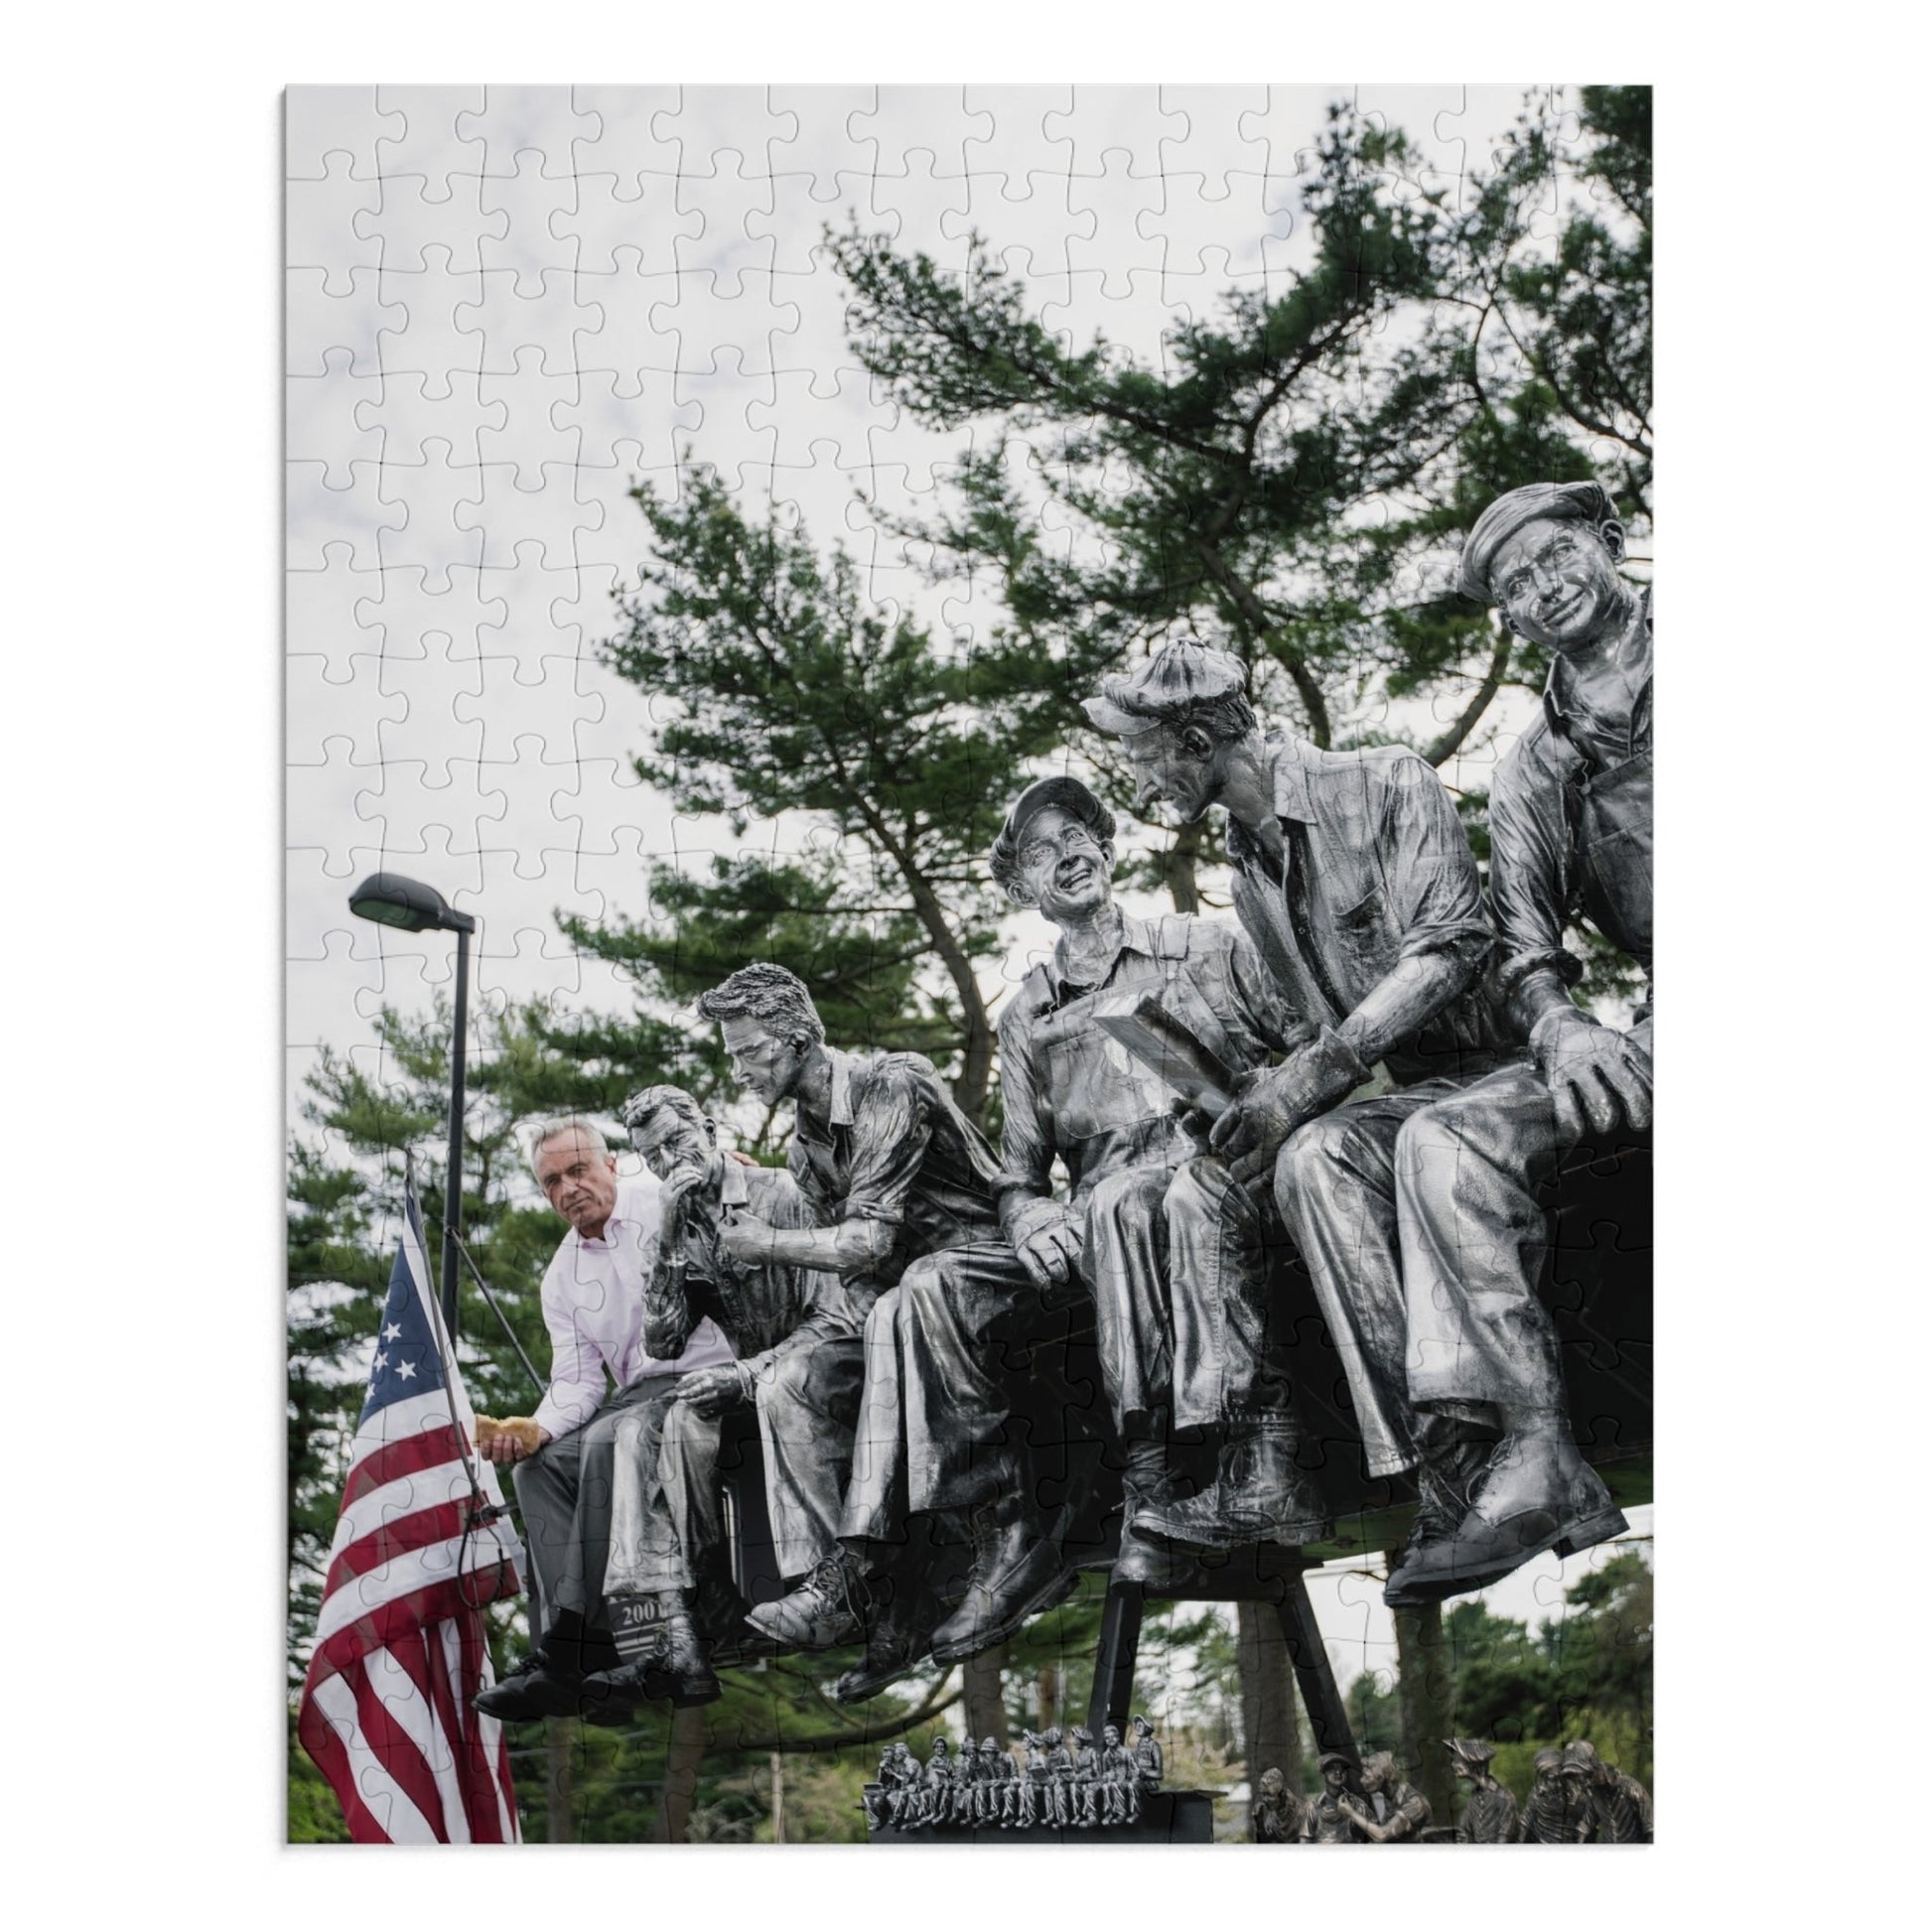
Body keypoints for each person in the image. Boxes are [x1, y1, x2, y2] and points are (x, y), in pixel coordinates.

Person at [1083, 640, 1516, 1556]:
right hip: (1380, 1104)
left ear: (1196, 737)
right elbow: (1316, 1035)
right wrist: (1237, 1096)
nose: (1139, 779)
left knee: (1320, 1156)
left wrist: (1307, 1087)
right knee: (1204, 1186)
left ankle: (1452, 1475)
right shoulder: (1248, 875)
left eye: (1143, 754)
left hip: (1488, 1079)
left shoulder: (1385, 781)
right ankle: (1265, 1469)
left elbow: (1449, 952)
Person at [895, 775, 1313, 1593]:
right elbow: (1016, 1177)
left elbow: (1304, 1042)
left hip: (1226, 1176)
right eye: (1044, 849)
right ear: (1021, 888)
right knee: (1065, 1226)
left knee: (1127, 1204)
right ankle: (1003, 1526)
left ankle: (1163, 1470)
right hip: (1109, 1220)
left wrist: (1254, 1099)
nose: (1071, 853)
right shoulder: (1026, 1018)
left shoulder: (1205, 945)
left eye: (1081, 834)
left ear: (1109, 849)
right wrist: (1028, 1218)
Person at [1386, 480, 1647, 1602]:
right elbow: (1520, 946)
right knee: (1441, 1138)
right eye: (1512, 588)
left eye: (1551, 557)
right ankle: (1535, 1447)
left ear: (1604, 537)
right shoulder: (1533, 767)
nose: (1541, 590)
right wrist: (1560, 1024)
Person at [687, 963, 1062, 1701]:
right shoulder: (804, 1149)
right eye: (731, 1056)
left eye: (751, 1051)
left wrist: (764, 1244)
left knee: (908, 1298)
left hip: (995, 1274)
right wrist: (777, 1359)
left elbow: (864, 1242)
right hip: (905, 1303)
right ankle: (880, 1596)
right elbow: (856, 1283)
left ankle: (873, 1560)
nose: (740, 1070)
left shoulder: (895, 1082)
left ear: (799, 1039)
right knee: (798, 1382)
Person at [575, 1084, 869, 1710]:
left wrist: (746, 1374)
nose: (670, 1161)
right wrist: (670, 1249)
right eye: (653, 1158)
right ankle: (674, 1633)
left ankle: (814, 1590)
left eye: (678, 1142)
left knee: (721, 1403)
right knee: (639, 1428)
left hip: (826, 1369)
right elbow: (665, 1341)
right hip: (754, 1383)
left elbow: (838, 1320)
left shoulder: (782, 1196)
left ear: (708, 1130)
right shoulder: (675, 1229)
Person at [471, 1118, 735, 1723]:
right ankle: (593, 1643)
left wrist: (731, 1169)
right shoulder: (561, 1276)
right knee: (537, 1468)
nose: (568, 1189)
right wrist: (534, 1429)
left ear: (611, 1163)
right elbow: (579, 1382)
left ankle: (567, 1646)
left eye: (578, 1170)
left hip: (712, 1379)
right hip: (637, 1396)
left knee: (609, 1440)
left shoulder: (665, 1199)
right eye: (551, 1182)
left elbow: (732, 1189)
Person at [1562, 1739, 1653, 1843]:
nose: (1581, 1782)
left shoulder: (1630, 1788)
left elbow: (1650, 1826)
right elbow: (1586, 1824)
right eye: (1575, 1778)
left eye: (1583, 1776)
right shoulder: (1594, 1795)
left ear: (1594, 1768)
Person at [1340, 1749, 1432, 1842]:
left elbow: (1382, 1835)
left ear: (1382, 1777)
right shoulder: (1389, 1797)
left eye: (1366, 1776)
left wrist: (1351, 1812)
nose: (1361, 1780)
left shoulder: (1415, 1804)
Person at [1447, 1736, 1520, 1844]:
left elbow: (1504, 1838)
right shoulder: (1474, 1797)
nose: (1453, 1765)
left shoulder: (1504, 1797)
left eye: (1457, 1760)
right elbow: (1465, 1832)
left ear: (1472, 1762)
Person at [1515, 1745, 1581, 1843]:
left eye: (1561, 1778)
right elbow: (1525, 1822)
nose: (1559, 1784)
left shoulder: (1574, 1796)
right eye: (1553, 1779)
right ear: (1543, 1778)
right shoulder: (1537, 1797)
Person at [1305, 1751, 1365, 1843]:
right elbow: (1304, 1842)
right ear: (1324, 1773)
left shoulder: (1357, 1804)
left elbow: (1373, 1834)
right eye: (1332, 1769)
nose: (1338, 1772)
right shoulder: (1313, 1807)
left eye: (1342, 1769)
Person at [1251, 1766, 1308, 1843]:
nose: (1264, 1799)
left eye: (1269, 1795)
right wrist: (1259, 1824)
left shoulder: (1302, 1815)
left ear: (1281, 1794)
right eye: (1263, 1794)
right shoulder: (1272, 1817)